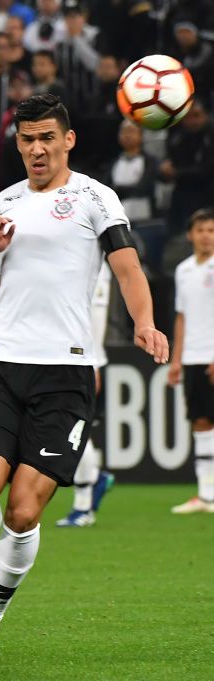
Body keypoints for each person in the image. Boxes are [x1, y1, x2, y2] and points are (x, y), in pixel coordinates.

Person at [0, 94, 168, 666]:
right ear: (17, 143)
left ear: (68, 140)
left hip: (66, 370)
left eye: (47, 137)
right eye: (27, 139)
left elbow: (127, 267)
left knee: (22, 512)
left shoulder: (96, 197)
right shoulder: (6, 201)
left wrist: (144, 323)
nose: (37, 148)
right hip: (0, 363)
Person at [55, 261, 116, 527]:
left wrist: (92, 362)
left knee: (76, 429)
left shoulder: (96, 265)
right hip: (63, 357)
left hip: (83, 362)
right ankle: (94, 481)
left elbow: (95, 319)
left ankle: (83, 506)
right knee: (73, 429)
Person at [168, 209, 214, 514]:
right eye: (201, 230)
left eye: (211, 230)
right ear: (190, 235)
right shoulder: (183, 270)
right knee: (200, 423)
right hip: (194, 357)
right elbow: (181, 317)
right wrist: (177, 360)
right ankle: (206, 494)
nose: (206, 236)